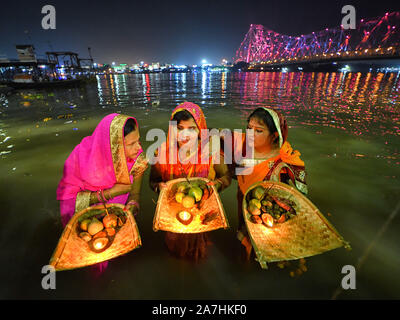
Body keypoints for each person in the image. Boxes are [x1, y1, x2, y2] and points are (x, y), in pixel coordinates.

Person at [56, 113, 148, 274]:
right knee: (93, 261)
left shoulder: (137, 161)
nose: (139, 148)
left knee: (118, 254)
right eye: (132, 143)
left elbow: (134, 195)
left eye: (138, 141)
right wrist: (110, 193)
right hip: (89, 219)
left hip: (114, 218)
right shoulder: (79, 160)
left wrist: (132, 207)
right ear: (113, 146)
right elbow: (68, 199)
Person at [150, 102, 231, 261]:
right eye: (180, 128)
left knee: (199, 252)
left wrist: (217, 185)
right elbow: (153, 181)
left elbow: (226, 176)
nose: (185, 135)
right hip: (173, 215)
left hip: (202, 213)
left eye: (191, 129)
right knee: (174, 252)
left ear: (200, 129)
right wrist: (159, 187)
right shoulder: (162, 152)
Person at [232, 107, 308, 259]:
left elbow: (295, 193)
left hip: (269, 211)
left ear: (274, 136)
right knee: (245, 239)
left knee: (264, 245)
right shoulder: (242, 145)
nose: (250, 134)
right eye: (249, 128)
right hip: (246, 203)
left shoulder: (284, 160)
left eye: (258, 131)